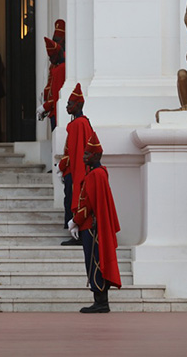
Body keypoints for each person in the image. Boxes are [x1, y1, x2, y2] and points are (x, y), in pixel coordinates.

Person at [68, 131, 122, 313]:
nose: (83, 157)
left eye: (86, 154)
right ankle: (100, 301)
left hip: (91, 227)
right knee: (95, 261)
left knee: (95, 262)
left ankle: (101, 302)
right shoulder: (99, 173)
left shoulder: (95, 175)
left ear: (96, 156)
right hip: (93, 226)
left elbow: (87, 204)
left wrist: (74, 221)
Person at [57, 83, 94, 245]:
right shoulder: (79, 123)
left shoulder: (78, 124)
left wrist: (61, 166)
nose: (67, 107)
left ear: (78, 105)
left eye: (69, 104)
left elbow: (72, 151)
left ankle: (76, 235)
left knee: (73, 199)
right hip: (73, 170)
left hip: (75, 171)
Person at [37, 37, 65, 131]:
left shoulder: (61, 69)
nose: (50, 60)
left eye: (51, 57)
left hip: (56, 111)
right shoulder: (56, 67)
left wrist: (45, 106)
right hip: (52, 111)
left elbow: (56, 93)